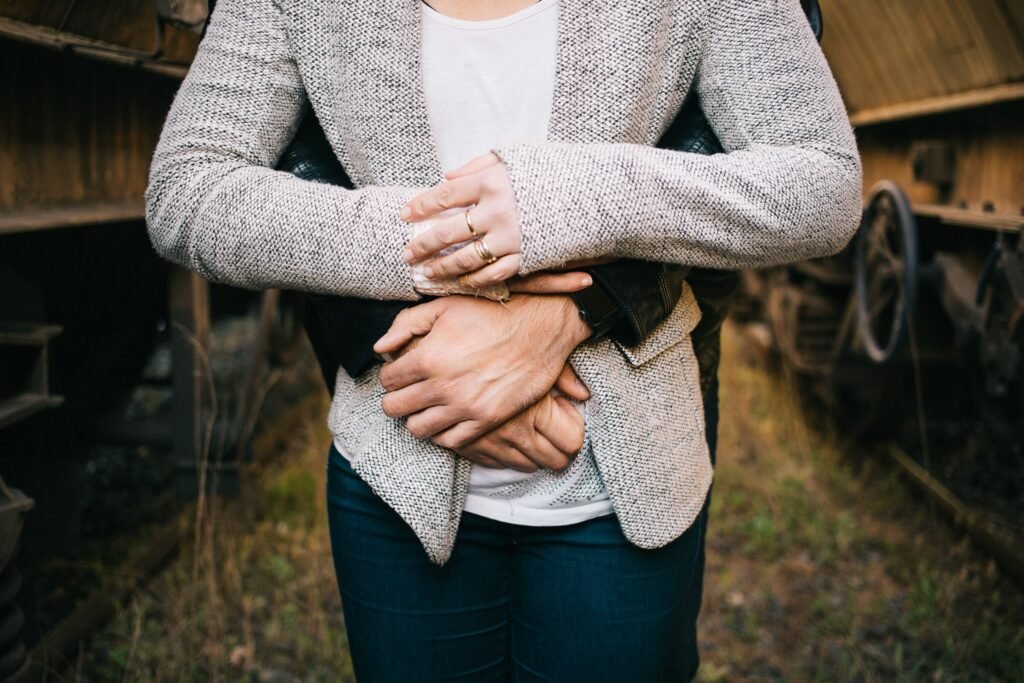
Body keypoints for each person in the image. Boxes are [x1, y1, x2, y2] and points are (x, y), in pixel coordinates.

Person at [145, 0, 860, 679]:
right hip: (397, 475)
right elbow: (189, 185)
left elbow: (821, 180)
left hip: (627, 484)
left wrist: (571, 197)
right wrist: (434, 247)